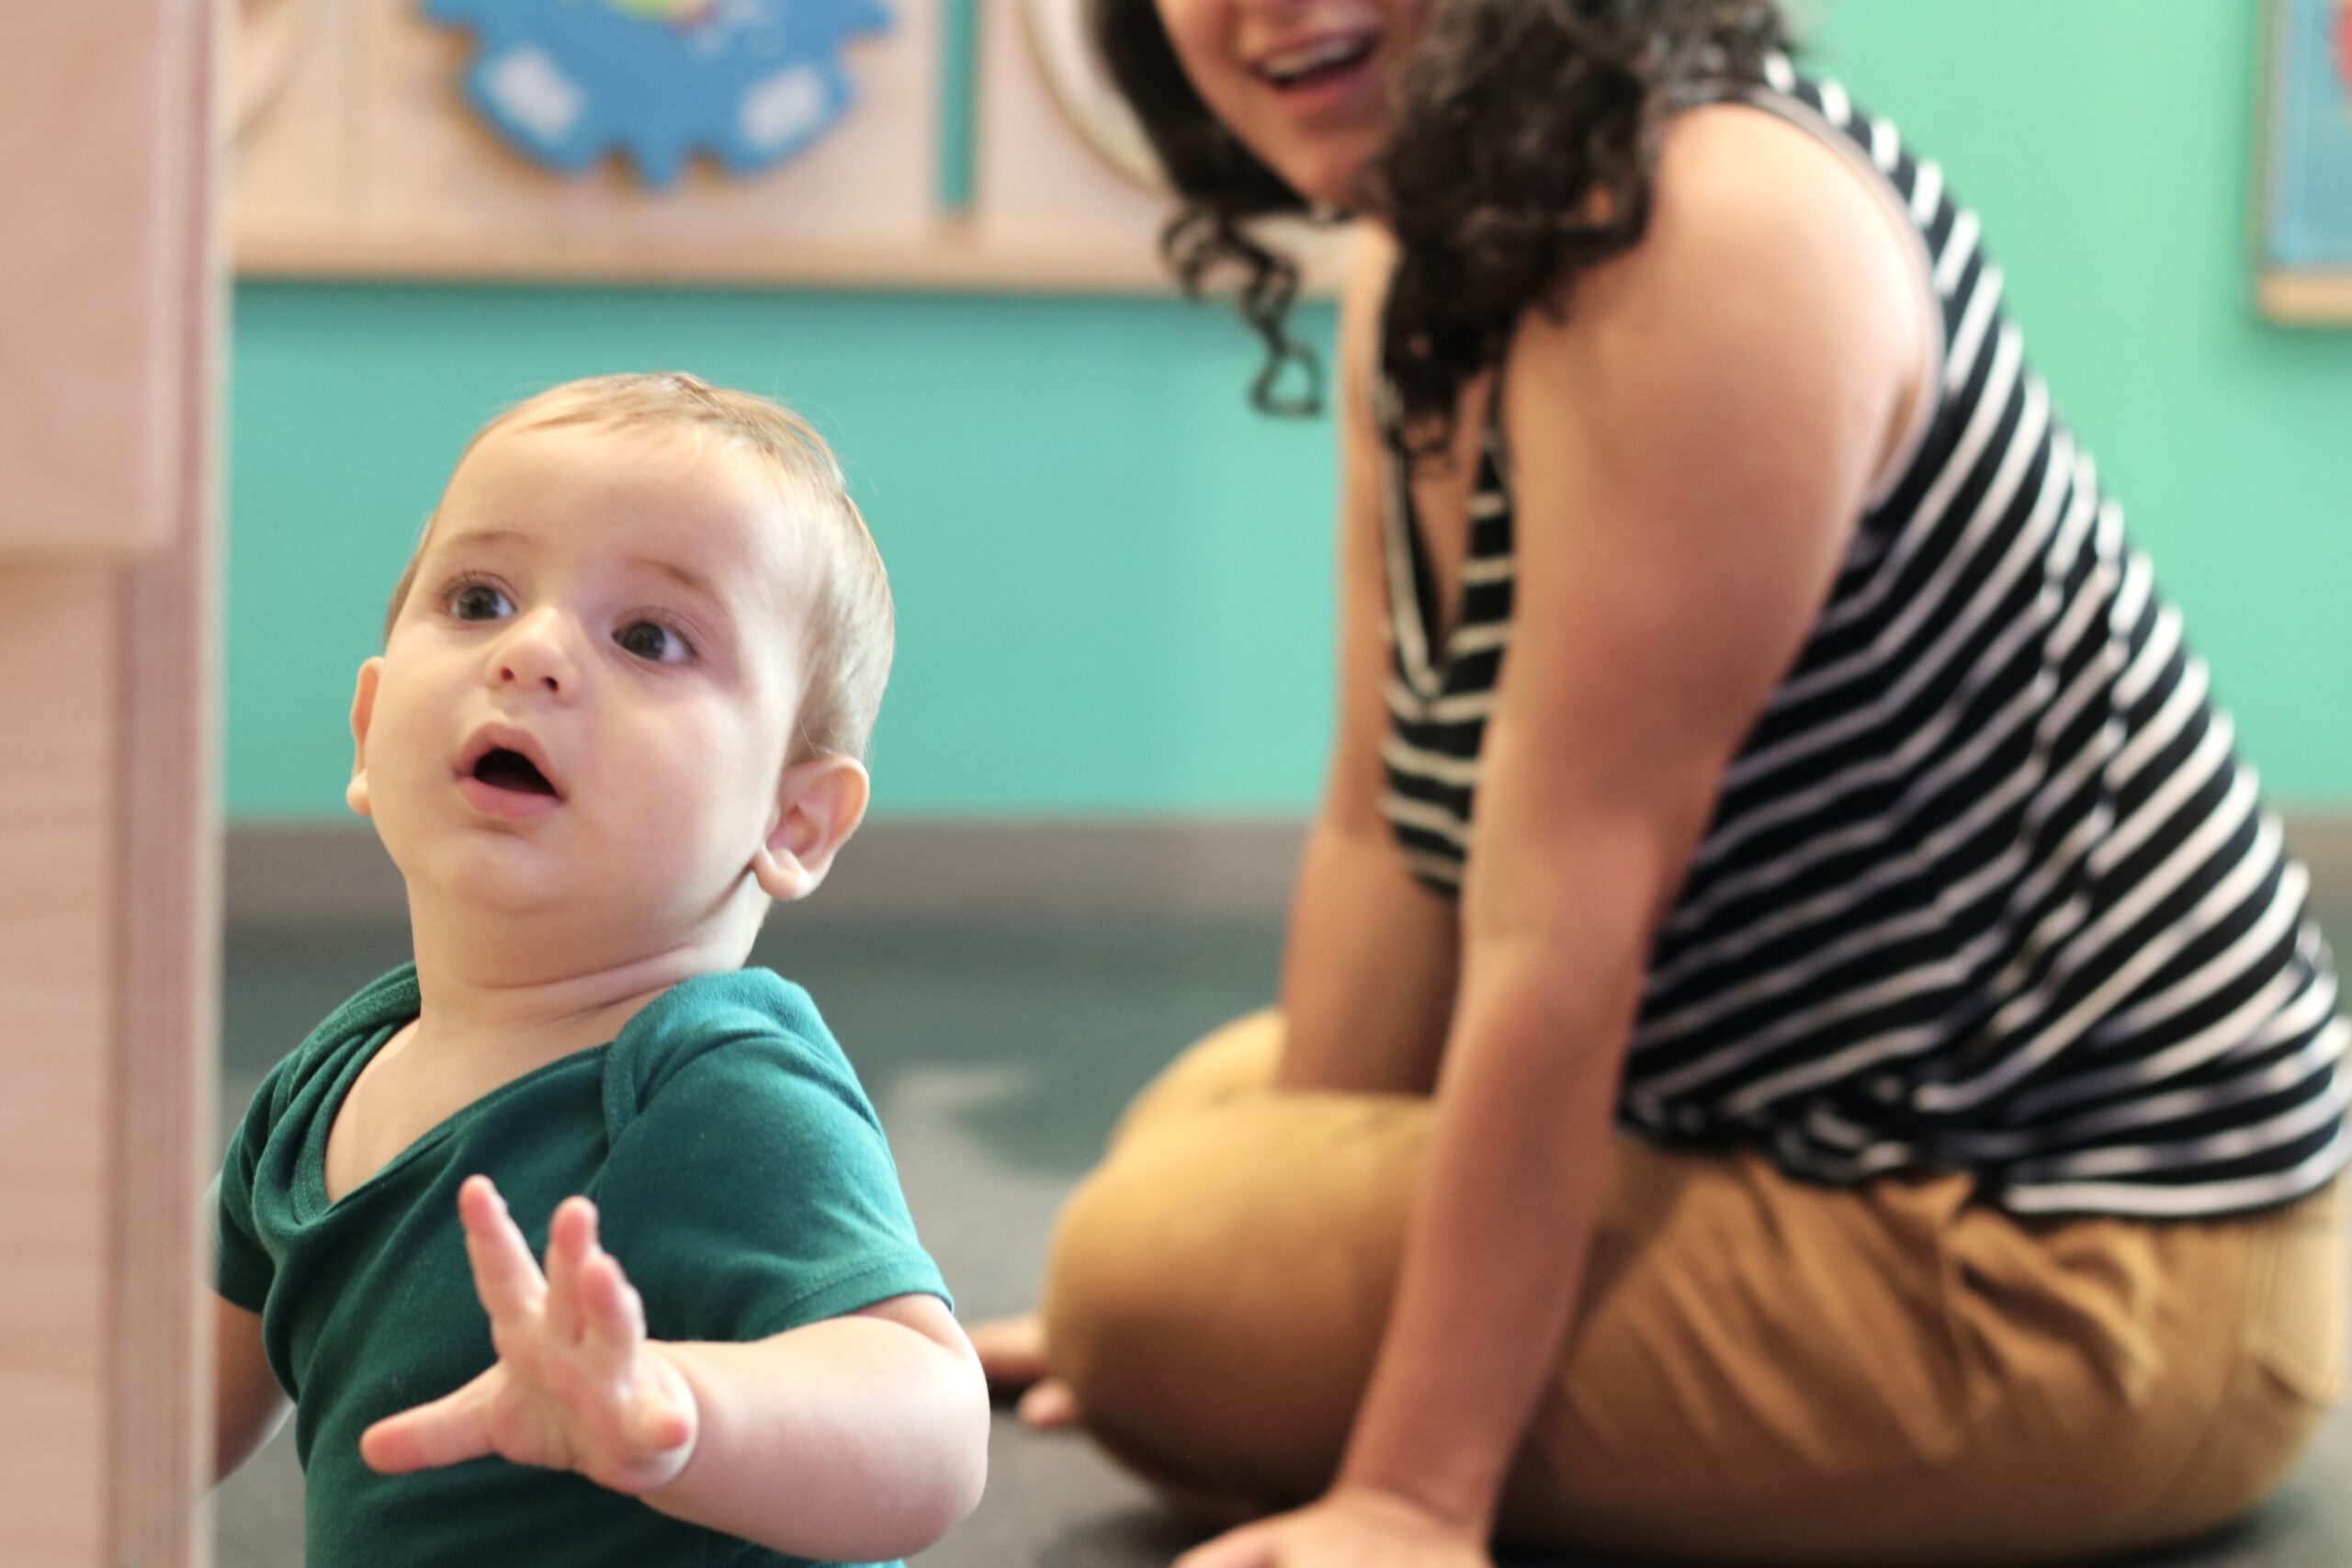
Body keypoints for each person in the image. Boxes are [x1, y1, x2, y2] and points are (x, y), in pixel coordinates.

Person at [975, 4, 2350, 1564]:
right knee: (1195, 1151)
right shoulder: (1436, 246)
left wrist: (1403, 1489)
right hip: (1791, 1126)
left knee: (1160, 1263)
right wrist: (1262, 1240)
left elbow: (1565, 930)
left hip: (2085, 1265)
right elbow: (1384, 829)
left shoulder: (1718, 232)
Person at [210, 373, 989, 1568]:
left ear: (794, 824)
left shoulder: (711, 1085)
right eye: (479, 599)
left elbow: (933, 1430)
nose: (532, 653)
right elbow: (146, 1419)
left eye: (648, 637)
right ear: (367, 734)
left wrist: (673, 1415)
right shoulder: (320, 1088)